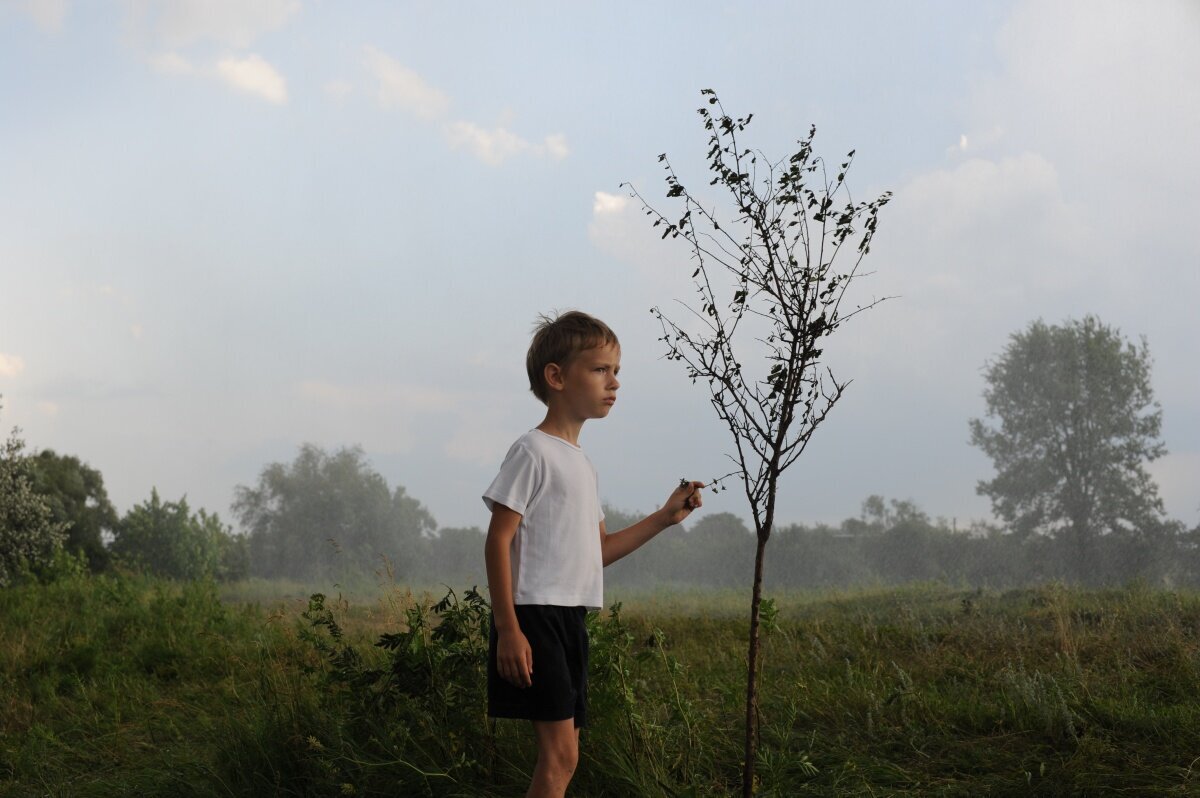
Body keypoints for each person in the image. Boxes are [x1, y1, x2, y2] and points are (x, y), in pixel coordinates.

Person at [483, 310, 703, 798]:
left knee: (566, 758)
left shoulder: (583, 464)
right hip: (534, 617)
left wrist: (665, 518)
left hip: (570, 619)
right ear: (557, 377)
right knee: (560, 757)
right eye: (601, 370)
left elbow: (597, 552)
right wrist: (508, 630)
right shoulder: (532, 451)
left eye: (616, 371)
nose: (615, 383)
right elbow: (498, 540)